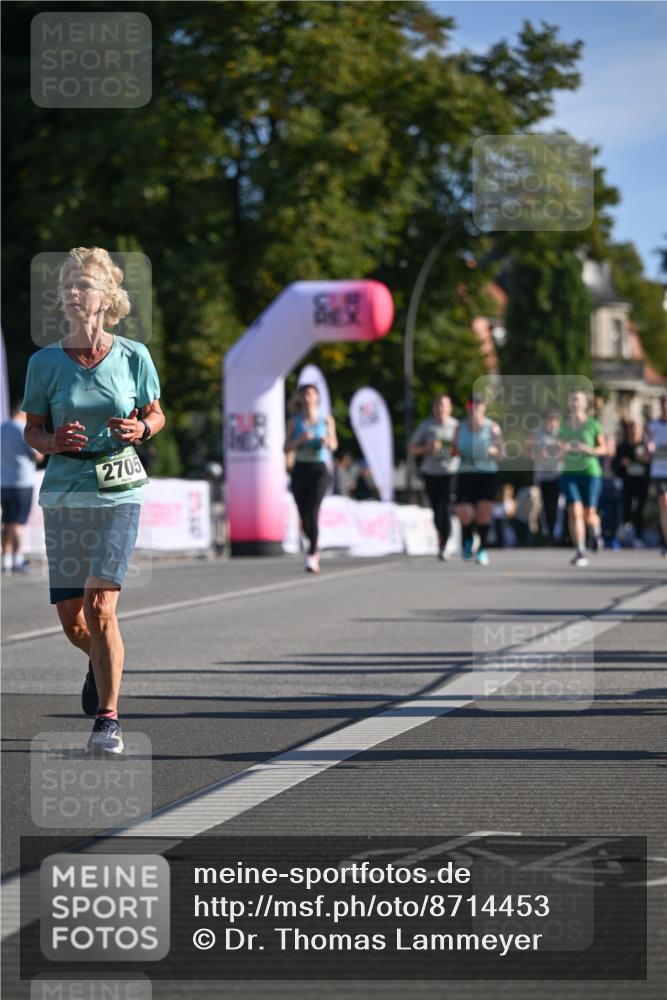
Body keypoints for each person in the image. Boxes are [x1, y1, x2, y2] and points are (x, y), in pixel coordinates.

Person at [22, 247, 164, 754]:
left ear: (107, 298)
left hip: (119, 491)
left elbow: (156, 413)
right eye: (68, 286)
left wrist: (142, 429)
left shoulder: (134, 356)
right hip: (64, 492)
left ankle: (108, 719)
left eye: (83, 285)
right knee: (73, 619)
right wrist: (51, 441)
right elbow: (32, 430)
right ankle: (102, 659)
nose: (73, 293)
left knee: (100, 605)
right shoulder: (43, 363)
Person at [284, 383, 337, 573]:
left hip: (319, 470)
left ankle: (312, 554)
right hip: (300, 469)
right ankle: (314, 540)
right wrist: (300, 440)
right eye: (304, 395)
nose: (307, 398)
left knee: (313, 511)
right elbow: (285, 448)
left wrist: (326, 441)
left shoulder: (326, 420)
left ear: (317, 397)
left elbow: (334, 445)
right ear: (300, 398)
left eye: (310, 394)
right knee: (303, 514)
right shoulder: (294, 421)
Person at [453, 393, 503, 566]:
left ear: (484, 407)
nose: (474, 407)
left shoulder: (493, 428)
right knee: (464, 512)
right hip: (465, 473)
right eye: (471, 403)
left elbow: (502, 453)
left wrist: (493, 451)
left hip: (487, 473)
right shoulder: (460, 427)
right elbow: (453, 450)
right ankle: (468, 537)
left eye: (478, 404)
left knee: (484, 513)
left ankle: (482, 549)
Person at [558, 389, 606, 567]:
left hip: (591, 473)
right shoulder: (563, 426)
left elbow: (604, 448)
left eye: (578, 400)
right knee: (574, 511)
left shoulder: (593, 424)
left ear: (585, 404)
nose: (575, 403)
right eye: (572, 400)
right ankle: (580, 551)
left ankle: (596, 533)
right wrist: (563, 449)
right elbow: (557, 451)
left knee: (589, 514)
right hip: (570, 473)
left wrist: (590, 450)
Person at [409, 393, 459, 560]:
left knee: (446, 507)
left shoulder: (456, 426)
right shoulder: (426, 426)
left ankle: (445, 543)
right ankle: (441, 538)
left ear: (450, 408)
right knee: (436, 509)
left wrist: (452, 450)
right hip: (430, 472)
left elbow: (464, 449)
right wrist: (428, 448)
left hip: (450, 471)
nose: (440, 409)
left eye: (444, 405)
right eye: (438, 405)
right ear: (433, 408)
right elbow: (412, 449)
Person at [1, 403, 43, 572]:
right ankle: (17, 558)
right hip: (22, 482)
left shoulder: (2, 428)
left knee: (6, 522)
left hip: (4, 482)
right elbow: (38, 455)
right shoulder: (22, 430)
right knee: (18, 522)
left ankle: (6, 559)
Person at [528, 410, 562, 544]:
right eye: (550, 420)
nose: (552, 424)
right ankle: (547, 534)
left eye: (555, 421)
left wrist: (557, 453)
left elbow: (567, 450)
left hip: (557, 473)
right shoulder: (538, 433)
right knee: (544, 505)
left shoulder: (561, 433)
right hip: (542, 475)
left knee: (557, 505)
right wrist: (537, 456)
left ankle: (558, 534)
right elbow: (527, 449)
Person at [614, 420, 650, 546]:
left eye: (636, 428)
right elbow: (616, 464)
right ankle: (624, 536)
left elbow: (650, 463)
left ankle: (638, 537)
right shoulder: (623, 446)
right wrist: (623, 464)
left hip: (642, 482)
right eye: (631, 428)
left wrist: (644, 460)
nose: (634, 431)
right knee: (626, 508)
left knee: (640, 509)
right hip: (628, 482)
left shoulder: (646, 445)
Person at [646, 393, 667, 556]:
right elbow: (646, 454)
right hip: (660, 472)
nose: (665, 406)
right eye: (663, 403)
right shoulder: (652, 426)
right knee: (665, 504)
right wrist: (649, 449)